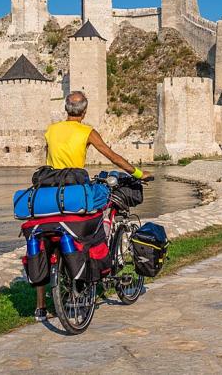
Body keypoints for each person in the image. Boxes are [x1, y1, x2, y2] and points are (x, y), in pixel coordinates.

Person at [35, 91, 151, 322]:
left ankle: (40, 308)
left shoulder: (51, 130)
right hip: (75, 191)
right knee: (95, 220)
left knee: (43, 245)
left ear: (66, 109)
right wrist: (139, 173)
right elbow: (112, 156)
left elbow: (48, 159)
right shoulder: (86, 132)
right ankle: (95, 271)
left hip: (49, 193)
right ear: (84, 111)